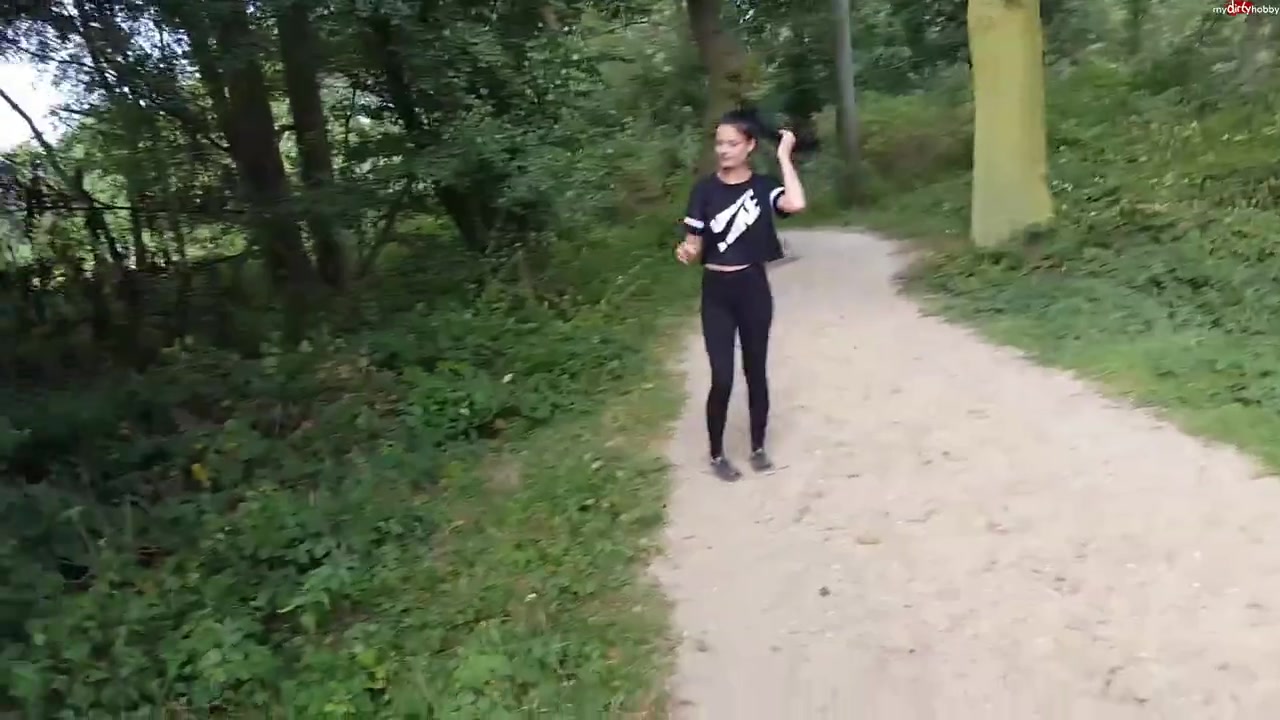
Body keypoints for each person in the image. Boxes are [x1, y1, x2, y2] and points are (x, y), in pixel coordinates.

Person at [675, 109, 808, 482]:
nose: (723, 150)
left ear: (749, 146)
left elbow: (795, 204)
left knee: (755, 371)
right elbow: (693, 243)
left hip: (753, 288)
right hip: (716, 292)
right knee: (722, 376)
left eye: (732, 143)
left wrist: (784, 157)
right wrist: (686, 251)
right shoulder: (704, 190)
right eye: (719, 143)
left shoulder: (764, 188)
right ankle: (716, 454)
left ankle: (758, 448)